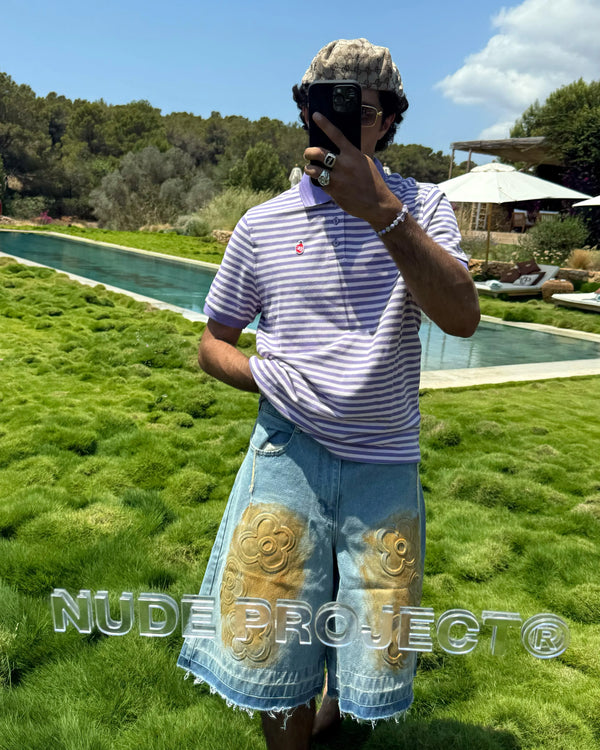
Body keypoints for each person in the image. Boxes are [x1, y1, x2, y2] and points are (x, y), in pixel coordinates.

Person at [178, 38, 480, 749]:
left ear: (389, 120)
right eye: (326, 104)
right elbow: (213, 340)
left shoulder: (426, 207)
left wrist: (384, 213)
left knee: (372, 646)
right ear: (306, 112)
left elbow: (462, 318)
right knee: (273, 643)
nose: (341, 121)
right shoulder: (263, 224)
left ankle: (335, 720)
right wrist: (264, 375)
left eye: (362, 109)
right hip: (288, 454)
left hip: (384, 462)